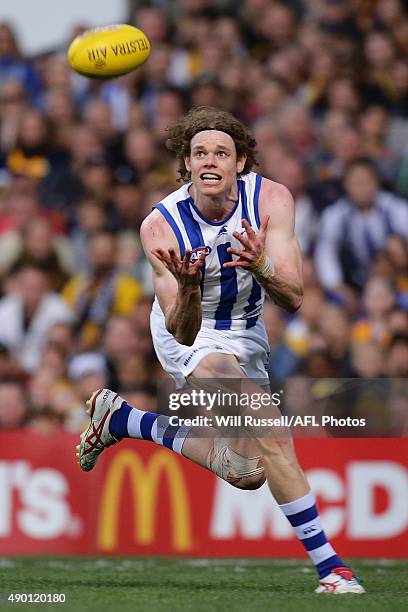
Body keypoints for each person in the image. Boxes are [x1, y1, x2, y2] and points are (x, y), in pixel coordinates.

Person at [77, 107, 364, 594]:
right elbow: (184, 331)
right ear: (186, 165)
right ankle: (333, 570)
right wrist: (189, 289)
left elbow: (293, 297)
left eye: (221, 152)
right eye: (199, 153)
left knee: (246, 471)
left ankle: (124, 421)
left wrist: (263, 266)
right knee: (272, 431)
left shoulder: (272, 199)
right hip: (189, 333)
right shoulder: (160, 226)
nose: (210, 160)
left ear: (241, 163)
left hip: (248, 331)